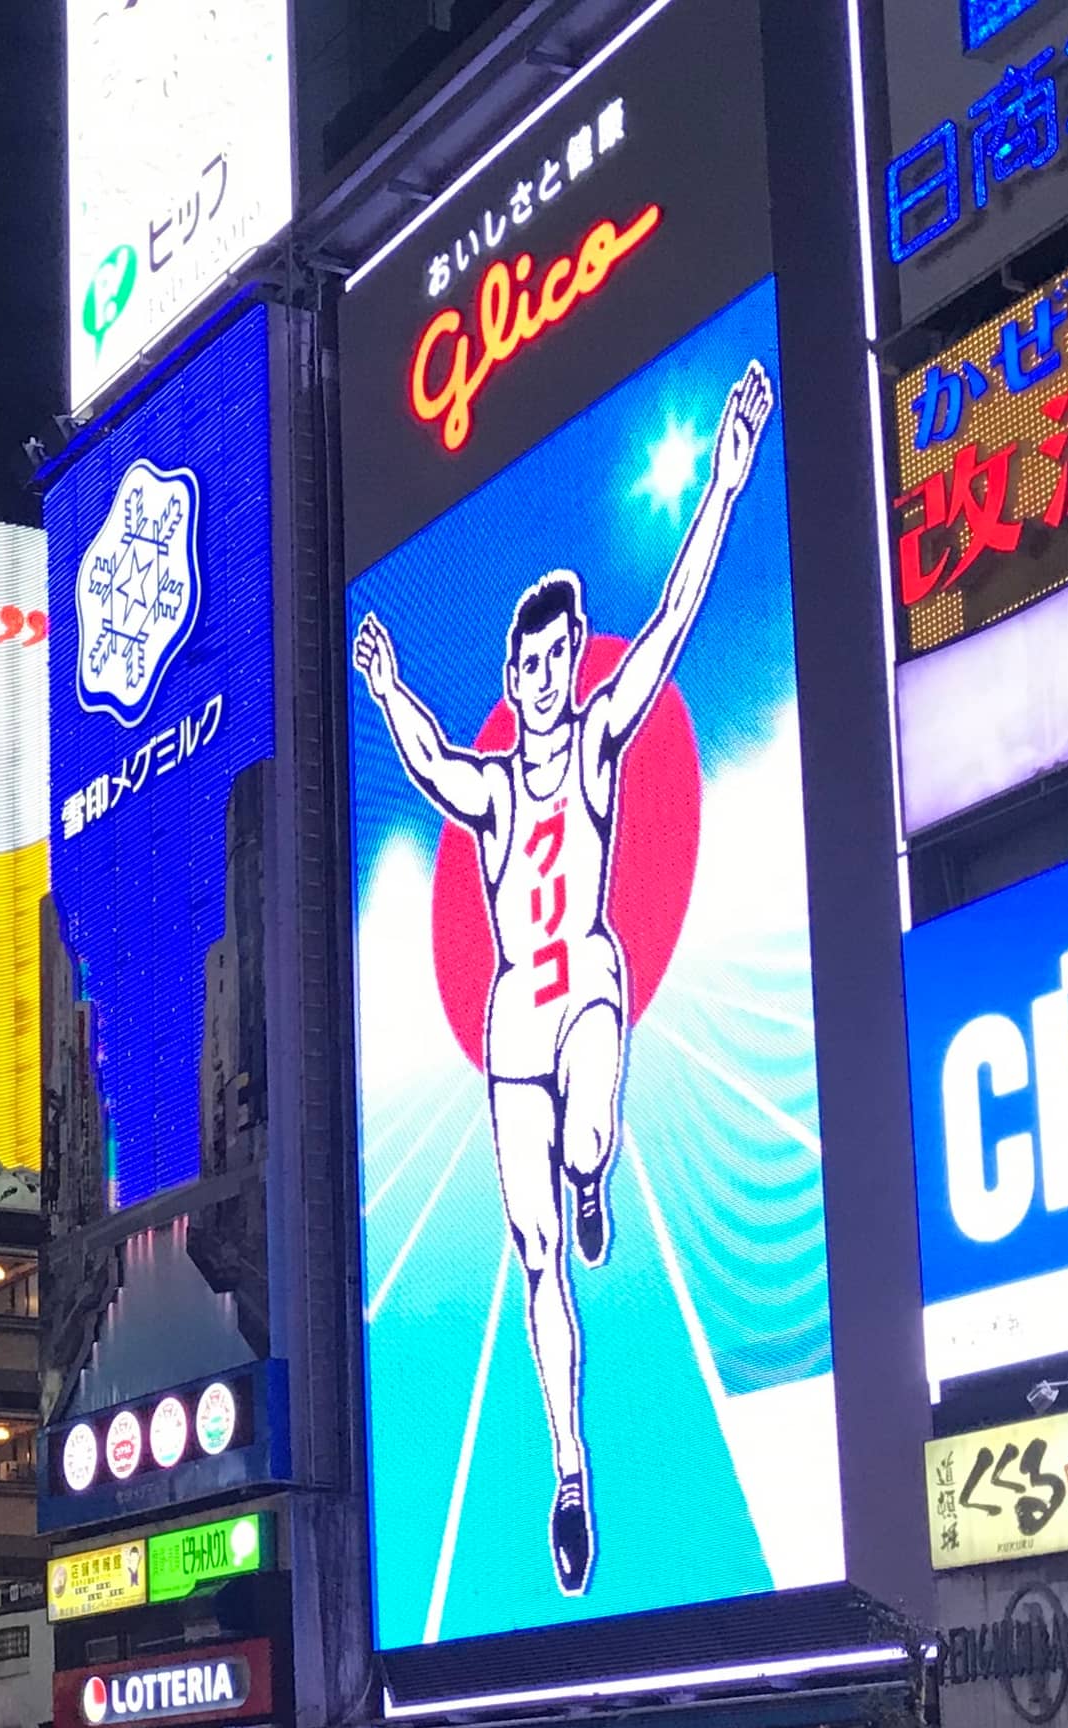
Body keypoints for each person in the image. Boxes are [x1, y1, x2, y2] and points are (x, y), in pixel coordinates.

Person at [349, 356, 773, 1598]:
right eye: (527, 667)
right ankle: (573, 1467)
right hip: (508, 1022)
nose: (542, 682)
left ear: (572, 663)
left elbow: (679, 620)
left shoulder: (594, 743)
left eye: (557, 661)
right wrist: (381, 688)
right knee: (535, 1255)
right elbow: (428, 757)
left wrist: (727, 483)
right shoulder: (489, 790)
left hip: (585, 976)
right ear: (512, 672)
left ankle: (597, 1170)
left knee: (588, 1134)